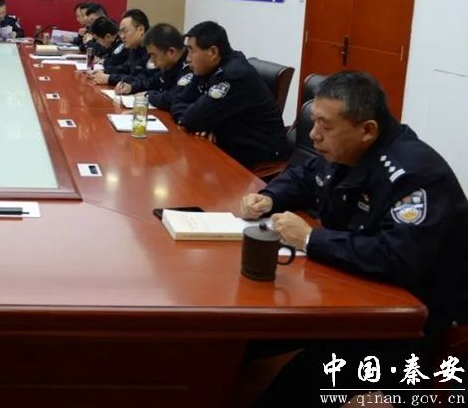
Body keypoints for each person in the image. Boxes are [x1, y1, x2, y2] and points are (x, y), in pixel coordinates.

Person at [240, 71, 468, 405]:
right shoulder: (343, 151)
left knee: (299, 384)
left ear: (367, 130)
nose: (313, 134)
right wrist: (270, 197)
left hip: (407, 321)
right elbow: (304, 176)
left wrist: (311, 239)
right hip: (352, 289)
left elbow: (397, 257)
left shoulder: (415, 176)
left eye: (325, 125)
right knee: (247, 341)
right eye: (314, 121)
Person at [170, 21, 288, 167]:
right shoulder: (205, 67)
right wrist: (202, 122)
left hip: (260, 156)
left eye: (192, 50)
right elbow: (178, 102)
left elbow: (191, 119)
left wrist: (200, 121)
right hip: (231, 144)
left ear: (213, 52)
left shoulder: (234, 76)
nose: (188, 58)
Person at [114, 23, 191, 110]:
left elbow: (175, 98)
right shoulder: (169, 64)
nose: (151, 60)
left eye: (153, 55)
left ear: (171, 52)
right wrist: (131, 87)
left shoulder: (191, 66)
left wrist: (148, 95)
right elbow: (152, 81)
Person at [88, 9, 149, 86]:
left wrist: (110, 78)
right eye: (121, 32)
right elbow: (126, 68)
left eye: (125, 31)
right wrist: (105, 71)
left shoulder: (152, 48)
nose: (122, 36)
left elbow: (144, 80)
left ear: (141, 30)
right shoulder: (135, 47)